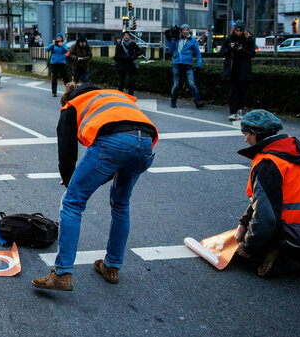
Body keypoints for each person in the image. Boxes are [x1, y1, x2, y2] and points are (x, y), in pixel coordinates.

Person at [33, 82, 157, 291]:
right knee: (121, 203)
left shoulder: (73, 105)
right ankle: (112, 267)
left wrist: (70, 181)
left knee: (72, 203)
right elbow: (116, 160)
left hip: (114, 143)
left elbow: (67, 154)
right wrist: (87, 178)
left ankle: (62, 273)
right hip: (146, 142)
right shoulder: (113, 97)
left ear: (68, 98)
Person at [233, 110, 300, 277]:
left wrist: (247, 247)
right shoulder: (298, 155)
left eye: (245, 133)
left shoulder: (268, 164)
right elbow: (265, 200)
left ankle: (280, 257)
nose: (245, 139)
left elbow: (266, 216)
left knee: (241, 252)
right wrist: (243, 223)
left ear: (254, 133)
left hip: (285, 233)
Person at [220, 21, 255, 121]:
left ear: (244, 31)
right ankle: (233, 112)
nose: (239, 33)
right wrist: (230, 49)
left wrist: (242, 49)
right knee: (232, 92)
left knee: (242, 92)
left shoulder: (249, 40)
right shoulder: (229, 39)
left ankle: (240, 111)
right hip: (232, 69)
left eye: (241, 31)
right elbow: (222, 53)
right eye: (237, 31)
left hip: (243, 70)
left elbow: (252, 54)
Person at [165, 24, 203, 109]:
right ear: (181, 31)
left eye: (187, 30)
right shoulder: (176, 39)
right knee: (176, 85)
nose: (185, 31)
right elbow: (171, 50)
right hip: (177, 64)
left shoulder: (193, 40)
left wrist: (199, 64)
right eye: (184, 30)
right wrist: (169, 40)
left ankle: (198, 102)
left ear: (189, 31)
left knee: (192, 84)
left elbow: (197, 53)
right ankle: (173, 102)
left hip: (188, 65)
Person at [114, 31, 140, 95]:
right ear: (123, 36)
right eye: (125, 35)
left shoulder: (132, 44)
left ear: (129, 36)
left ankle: (130, 94)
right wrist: (126, 57)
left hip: (131, 65)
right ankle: (120, 94)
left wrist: (134, 56)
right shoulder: (120, 44)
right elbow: (117, 55)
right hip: (122, 65)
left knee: (132, 81)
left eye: (127, 35)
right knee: (121, 80)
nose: (126, 36)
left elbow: (140, 51)